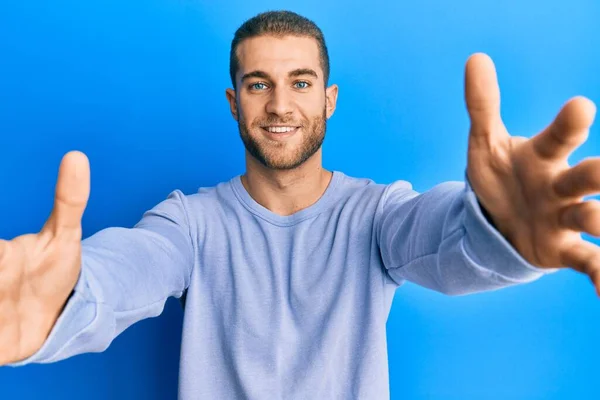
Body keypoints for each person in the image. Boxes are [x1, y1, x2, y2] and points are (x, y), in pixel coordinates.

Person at [1, 9, 599, 399]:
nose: (280, 104)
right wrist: (63, 300)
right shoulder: (190, 224)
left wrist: (497, 228)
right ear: (235, 102)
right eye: (259, 84)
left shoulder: (377, 215)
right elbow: (131, 267)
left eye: (301, 82)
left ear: (329, 98)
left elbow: (442, 239)